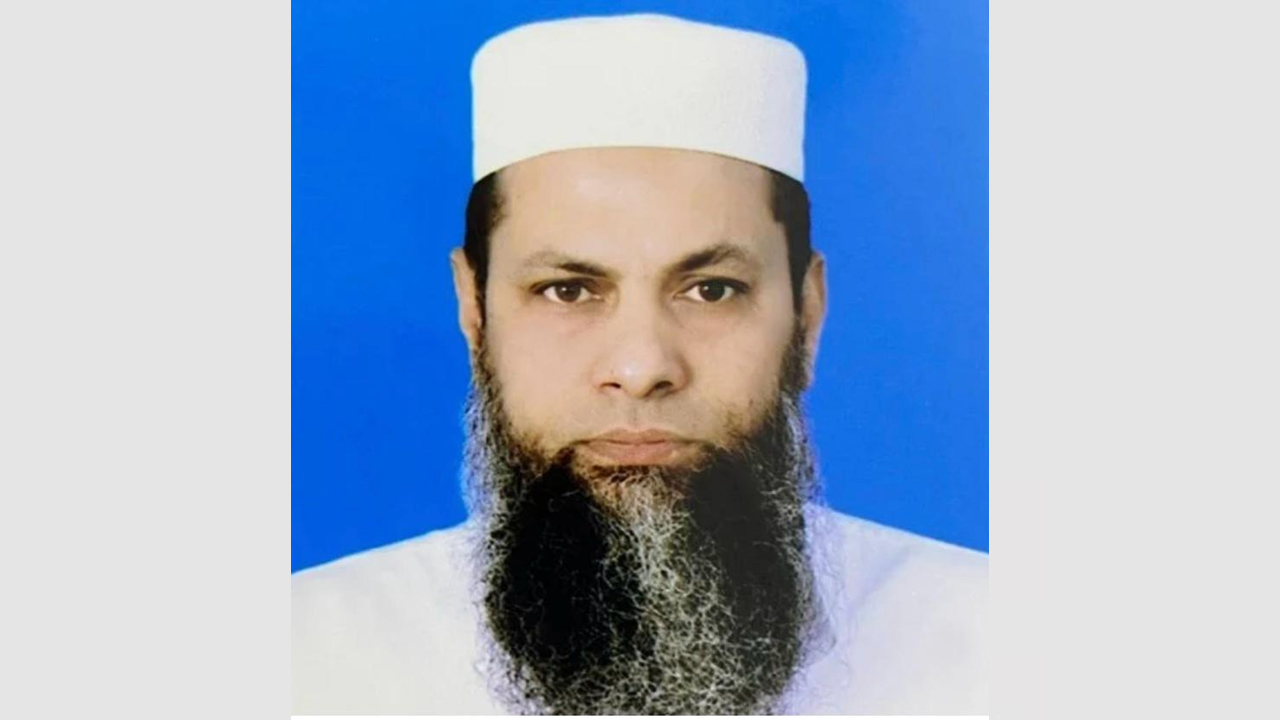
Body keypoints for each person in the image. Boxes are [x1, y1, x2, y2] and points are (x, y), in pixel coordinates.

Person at [292, 13, 987, 715]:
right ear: (475, 313)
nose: (640, 366)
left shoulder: (997, 649)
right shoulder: (303, 658)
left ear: (806, 317)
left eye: (712, 290)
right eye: (567, 290)